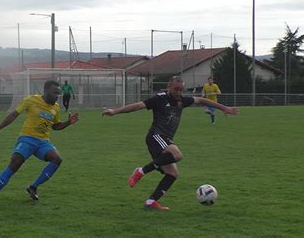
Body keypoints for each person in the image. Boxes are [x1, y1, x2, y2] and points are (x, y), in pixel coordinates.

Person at [102, 76, 238, 210]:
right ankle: (141, 171)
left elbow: (202, 100)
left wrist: (223, 108)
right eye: (176, 89)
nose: (178, 92)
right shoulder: (160, 99)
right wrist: (115, 111)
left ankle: (151, 201)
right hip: (155, 136)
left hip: (164, 140)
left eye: (181, 89)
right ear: (169, 87)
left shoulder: (182, 100)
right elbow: (137, 106)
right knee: (177, 155)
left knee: (173, 174)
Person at [0, 80, 79, 205]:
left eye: (58, 94)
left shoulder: (55, 107)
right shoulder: (31, 100)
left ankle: (33, 186)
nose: (57, 96)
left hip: (43, 142)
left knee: (57, 159)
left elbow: (55, 126)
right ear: (45, 91)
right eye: (55, 93)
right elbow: (13, 115)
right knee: (15, 163)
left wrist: (68, 122)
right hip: (27, 139)